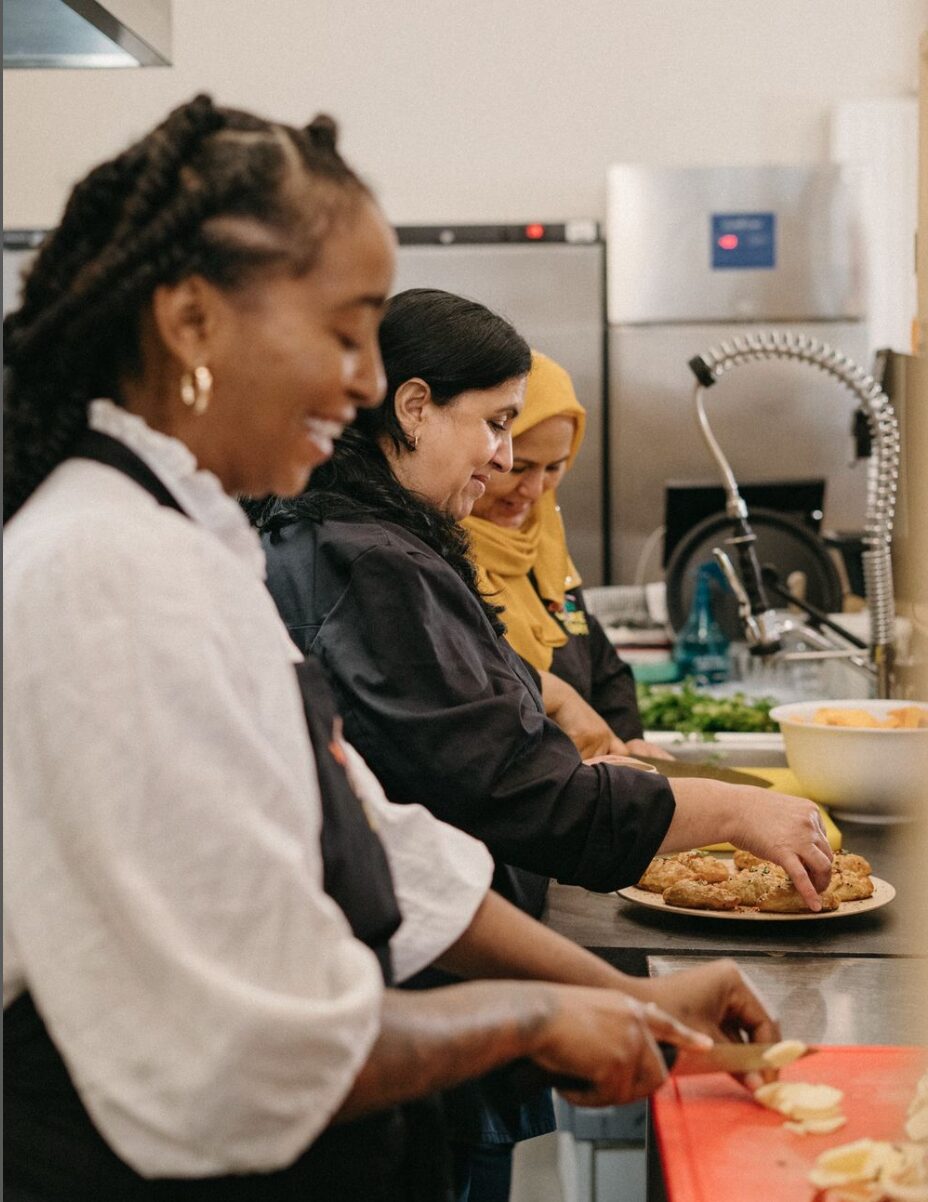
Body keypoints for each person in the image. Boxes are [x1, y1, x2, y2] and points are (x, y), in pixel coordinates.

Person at [3, 96, 781, 1202]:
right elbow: (228, 1056)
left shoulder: (186, 545)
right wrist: (538, 1014)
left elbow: (383, 842)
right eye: (342, 330)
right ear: (190, 323)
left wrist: (629, 994)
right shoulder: (99, 573)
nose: (371, 384)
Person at [256, 287, 833, 1197]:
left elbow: (424, 821)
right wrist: (735, 808)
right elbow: (518, 793)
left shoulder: (371, 543)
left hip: (441, 989)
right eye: (492, 424)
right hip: (416, 1019)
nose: (501, 458)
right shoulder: (371, 563)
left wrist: (623, 998)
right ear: (411, 407)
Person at [464, 349, 670, 762]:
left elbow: (600, 662)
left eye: (555, 467)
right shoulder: (435, 550)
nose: (535, 490)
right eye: (519, 467)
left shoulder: (544, 540)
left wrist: (625, 743)